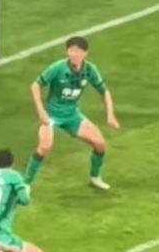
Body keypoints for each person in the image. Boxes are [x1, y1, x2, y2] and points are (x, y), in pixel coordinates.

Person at [24, 36, 121, 189]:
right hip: (52, 116)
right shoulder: (58, 68)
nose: (74, 54)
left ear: (85, 53)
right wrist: (41, 111)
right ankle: (25, 184)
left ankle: (95, 178)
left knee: (100, 144)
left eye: (77, 51)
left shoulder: (90, 70)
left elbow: (104, 91)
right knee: (45, 147)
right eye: (71, 50)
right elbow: (35, 85)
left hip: (72, 115)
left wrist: (110, 115)